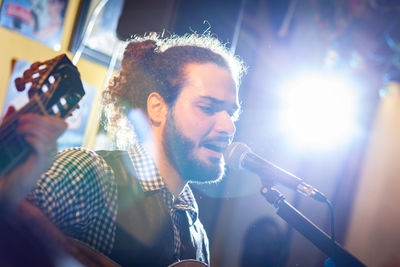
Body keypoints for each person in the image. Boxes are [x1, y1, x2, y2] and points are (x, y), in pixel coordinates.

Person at [11, 33, 245, 266]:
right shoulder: (90, 174)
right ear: (157, 108)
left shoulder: (197, 235)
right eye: (207, 107)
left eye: (231, 113)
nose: (229, 126)